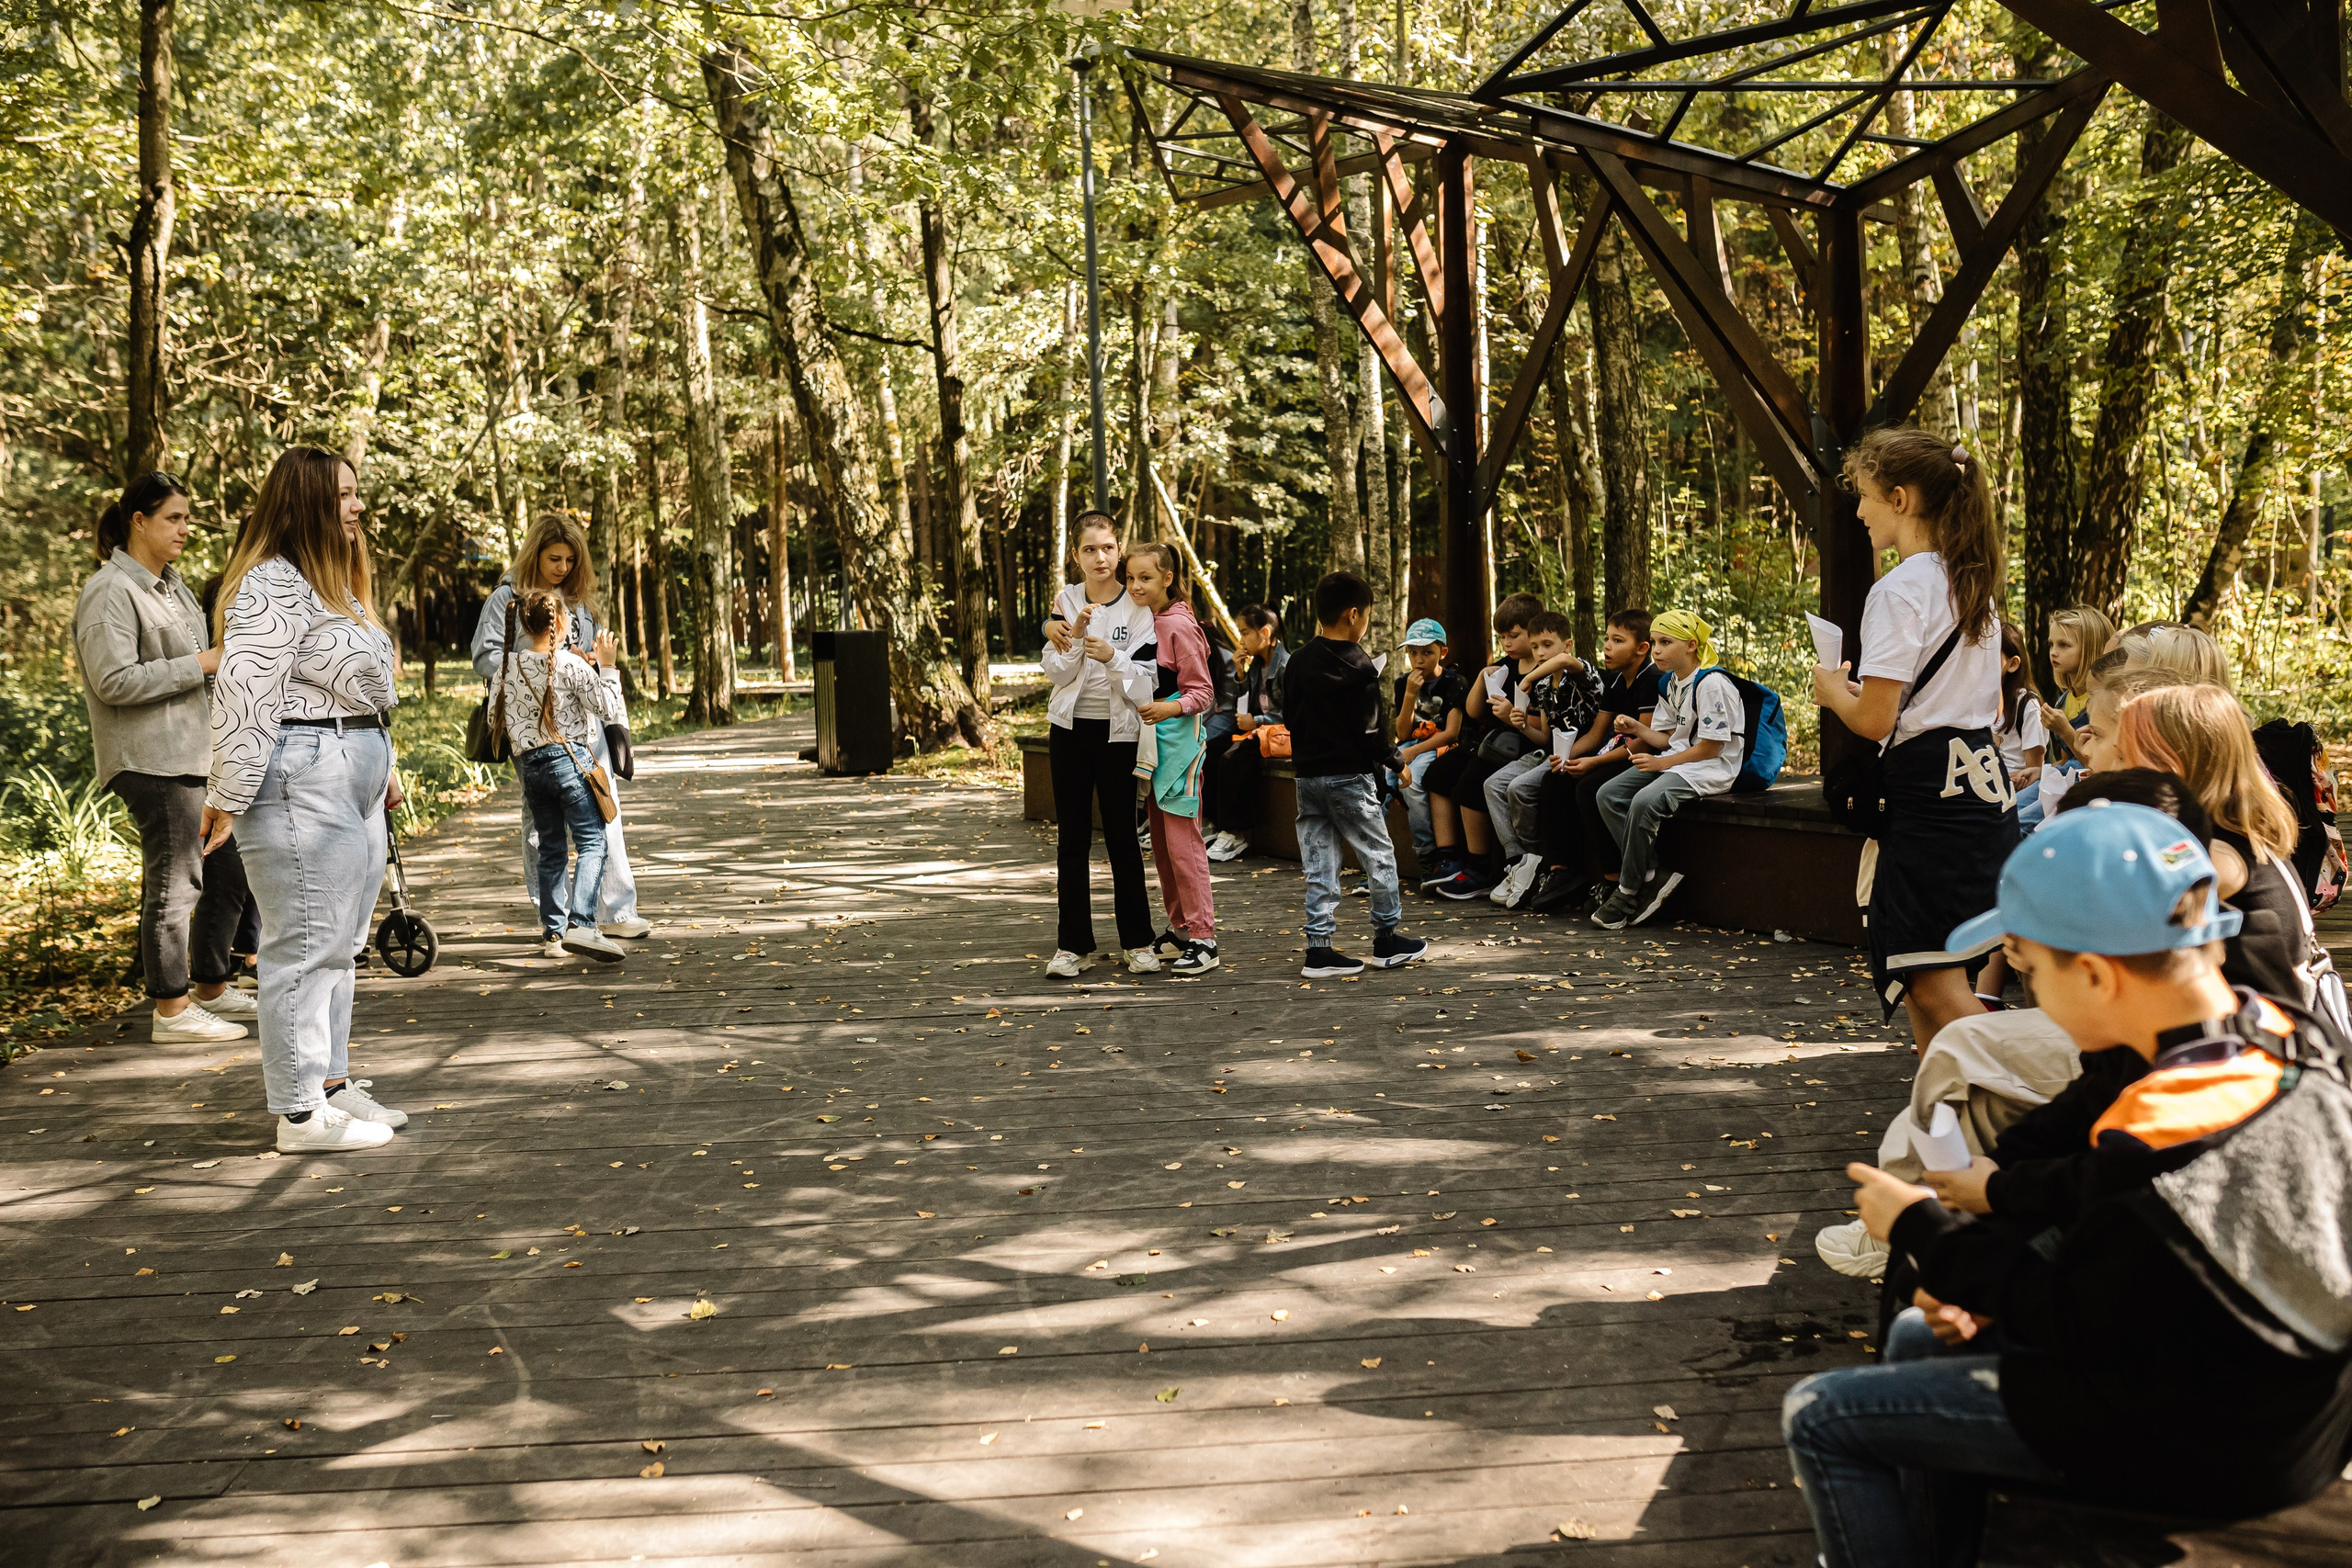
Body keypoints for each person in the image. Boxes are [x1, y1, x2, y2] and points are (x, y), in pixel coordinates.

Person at [1785, 804, 2352, 1566]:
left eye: (2028, 971)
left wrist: (1922, 1229)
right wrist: (1971, 1256)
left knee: (1821, 1415)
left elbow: (2068, 1314)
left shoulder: (2164, 1144)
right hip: (2274, 1391)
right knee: (1921, 1335)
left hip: (2216, 1444)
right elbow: (2076, 1217)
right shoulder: (2271, 1034)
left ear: (2092, 972)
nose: (2026, 992)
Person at [199, 446, 406, 1153]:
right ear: (308, 500)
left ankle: (331, 1083)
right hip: (300, 771)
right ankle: (297, 1115)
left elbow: (361, 687)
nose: (357, 506)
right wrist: (226, 793)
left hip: (353, 767)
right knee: (305, 944)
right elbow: (243, 692)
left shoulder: (333, 585)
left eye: (357, 492)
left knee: (342, 944)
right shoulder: (272, 584)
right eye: (345, 494)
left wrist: (388, 765)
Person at [1811, 428, 2016, 1052]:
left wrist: (1830, 690)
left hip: (1929, 798)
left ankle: (2032, 1097)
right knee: (1935, 970)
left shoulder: (1899, 589)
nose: (1859, 511)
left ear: (1900, 499)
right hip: (1983, 792)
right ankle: (1945, 1126)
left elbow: (1875, 719)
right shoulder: (1972, 581)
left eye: (1866, 496)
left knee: (1928, 979)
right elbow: (1994, 705)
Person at [72, 472, 254, 1045]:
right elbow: (113, 681)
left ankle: (210, 987)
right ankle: (172, 1012)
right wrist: (203, 663)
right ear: (139, 521)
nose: (185, 528)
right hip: (150, 758)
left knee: (228, 873)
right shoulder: (109, 591)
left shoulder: (171, 587)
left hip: (195, 754)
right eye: (173, 518)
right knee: (176, 880)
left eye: (187, 517)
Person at [471, 513, 650, 939]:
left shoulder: (575, 599)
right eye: (555, 558)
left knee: (606, 811)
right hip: (533, 732)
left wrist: (584, 663)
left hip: (585, 725)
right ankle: (555, 921)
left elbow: (586, 651)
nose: (563, 568)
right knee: (542, 827)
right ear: (535, 553)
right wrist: (538, 673)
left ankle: (616, 912)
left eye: (571, 560)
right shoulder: (506, 599)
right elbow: (485, 658)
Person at [2116, 682, 2318, 1008]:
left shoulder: (2213, 857)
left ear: (2172, 766)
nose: (2120, 770)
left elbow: (2132, 902)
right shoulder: (2231, 834)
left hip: (2247, 1043)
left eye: (2126, 758)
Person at [1282, 571, 1429, 977]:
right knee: (1378, 856)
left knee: (1319, 862)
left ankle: (1319, 948)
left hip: (1308, 778)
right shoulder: (1360, 665)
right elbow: (1370, 732)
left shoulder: (1296, 662)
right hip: (1349, 778)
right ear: (1353, 615)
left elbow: (1289, 718)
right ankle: (1387, 940)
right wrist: (1397, 763)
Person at [1038, 511, 1159, 978]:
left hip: (1118, 734)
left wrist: (1114, 656)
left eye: (1107, 547)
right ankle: (1072, 947)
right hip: (1069, 732)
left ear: (1119, 548)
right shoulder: (1064, 602)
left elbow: (1145, 687)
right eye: (1090, 549)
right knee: (1071, 840)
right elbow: (1057, 673)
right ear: (1076, 556)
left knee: (1123, 839)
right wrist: (1073, 636)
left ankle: (1138, 942)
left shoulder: (1138, 606)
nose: (1100, 557)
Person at [497, 589, 628, 963]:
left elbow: (496, 717)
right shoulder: (571, 664)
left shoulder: (508, 666)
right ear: (561, 623)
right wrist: (607, 664)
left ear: (525, 623)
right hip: (569, 762)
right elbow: (606, 706)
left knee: (551, 849)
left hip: (531, 769)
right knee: (592, 842)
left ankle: (553, 934)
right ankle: (582, 924)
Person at [1591, 609, 1742, 930]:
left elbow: (1711, 747)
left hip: (1710, 767)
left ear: (1690, 645)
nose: (1656, 650)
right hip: (1681, 759)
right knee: (1608, 794)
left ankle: (1628, 891)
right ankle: (1651, 874)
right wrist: (1637, 728)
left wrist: (1660, 763)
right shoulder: (1670, 683)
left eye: (1665, 642)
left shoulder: (1712, 683)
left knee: (1644, 802)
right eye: (1655, 642)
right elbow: (1668, 738)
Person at [1125, 542, 1220, 976]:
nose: (1135, 585)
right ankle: (1180, 929)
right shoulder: (1141, 621)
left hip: (1180, 752)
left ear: (1167, 578)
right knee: (1162, 848)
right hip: (1150, 752)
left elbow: (1203, 692)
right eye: (1130, 578)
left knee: (1184, 846)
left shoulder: (1180, 626)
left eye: (1145, 577)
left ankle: (1204, 938)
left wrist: (1169, 707)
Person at [1527, 609, 1658, 914]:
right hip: (1614, 752)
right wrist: (1567, 758)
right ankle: (1564, 871)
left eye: (1617, 640)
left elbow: (1642, 741)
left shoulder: (1650, 680)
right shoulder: (1616, 683)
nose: (1607, 647)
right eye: (1607, 639)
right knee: (1556, 777)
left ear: (1642, 648)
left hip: (1646, 758)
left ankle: (1612, 880)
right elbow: (1597, 735)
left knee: (1590, 788)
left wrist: (1593, 764)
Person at [1420, 592, 1544, 899]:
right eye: (1502, 638)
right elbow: (1474, 712)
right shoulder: (1505, 666)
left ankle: (1479, 866)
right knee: (1438, 772)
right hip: (1493, 741)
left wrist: (1513, 717)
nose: (1508, 644)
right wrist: (1480, 678)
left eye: (1514, 636)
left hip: (1526, 745)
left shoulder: (1545, 669)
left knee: (1472, 782)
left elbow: (1545, 726)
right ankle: (1448, 856)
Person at [1487, 609, 1603, 908]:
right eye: (1536, 646)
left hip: (1588, 754)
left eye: (1547, 645)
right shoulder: (1542, 687)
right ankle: (1524, 860)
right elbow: (1545, 736)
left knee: (1520, 788)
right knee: (1498, 785)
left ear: (1567, 644)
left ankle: (1538, 862)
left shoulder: (1582, 673)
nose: (1540, 652)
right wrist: (1521, 723)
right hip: (1553, 755)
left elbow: (1564, 662)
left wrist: (1527, 679)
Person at [1204, 604, 1286, 863]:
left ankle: (1236, 833)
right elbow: (1244, 709)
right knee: (1211, 749)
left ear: (1264, 632)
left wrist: (1258, 721)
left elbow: (1293, 714)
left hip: (1279, 735)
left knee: (1233, 758)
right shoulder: (1257, 665)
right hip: (1258, 733)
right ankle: (1215, 823)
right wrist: (1240, 675)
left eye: (1244, 633)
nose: (1240, 640)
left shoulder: (1286, 665)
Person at [1389, 619, 1465, 873]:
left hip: (1439, 747)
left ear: (1442, 652)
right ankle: (1378, 861)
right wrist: (1410, 695)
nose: (1419, 659)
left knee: (1411, 783)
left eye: (1427, 652)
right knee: (1380, 785)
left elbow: (1451, 732)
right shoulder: (1403, 683)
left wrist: (1411, 752)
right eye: (1413, 652)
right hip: (1410, 745)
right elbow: (1402, 732)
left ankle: (1428, 855)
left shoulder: (1455, 682)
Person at [2036, 604, 2112, 763]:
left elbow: (2095, 765)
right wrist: (2040, 772)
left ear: (2089, 648)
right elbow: (2066, 761)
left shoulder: (2106, 701)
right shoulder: (2064, 701)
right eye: (2051, 644)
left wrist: (2064, 730)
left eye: (2063, 645)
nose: (2053, 652)